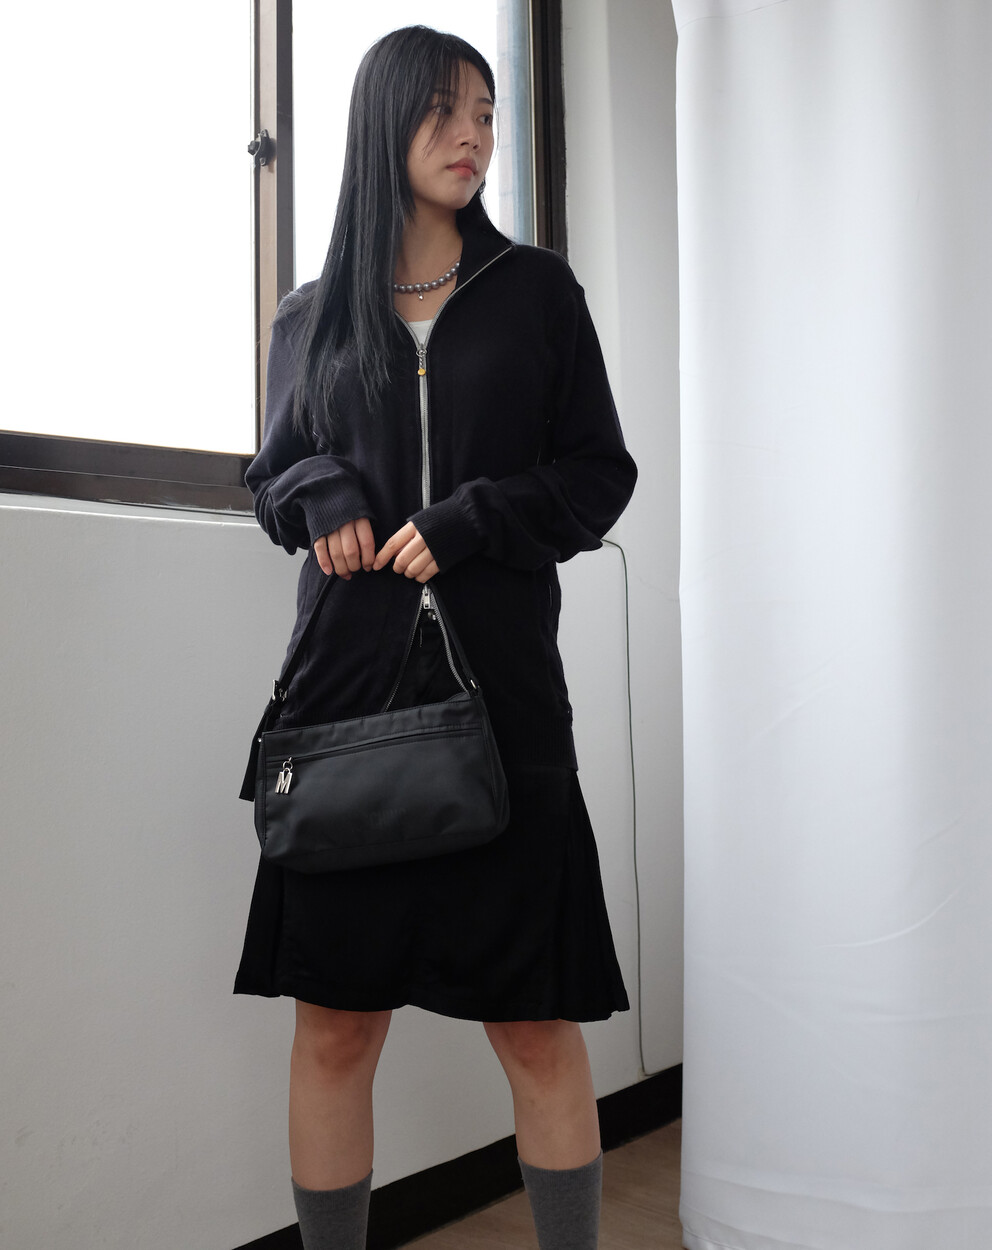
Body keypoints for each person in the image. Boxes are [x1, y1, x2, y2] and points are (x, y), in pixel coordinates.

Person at [234, 25, 636, 1250]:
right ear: (385, 123)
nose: (473, 136)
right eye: (444, 112)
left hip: (504, 702)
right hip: (344, 706)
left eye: (487, 112)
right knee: (335, 1026)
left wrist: (472, 518)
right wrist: (320, 490)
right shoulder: (312, 316)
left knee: (535, 1022)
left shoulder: (537, 294)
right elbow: (270, 479)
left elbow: (597, 476)